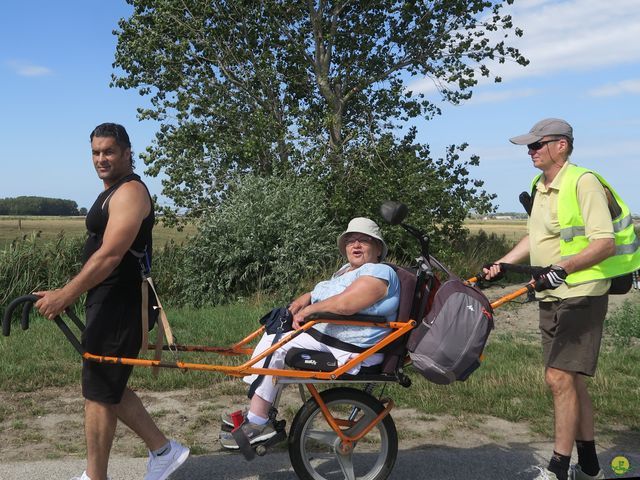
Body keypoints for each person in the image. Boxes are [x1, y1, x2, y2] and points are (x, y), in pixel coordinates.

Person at [484, 118, 640, 480]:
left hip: (582, 293)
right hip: (552, 294)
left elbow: (605, 243)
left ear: (562, 146)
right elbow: (534, 239)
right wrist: (501, 264)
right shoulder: (540, 186)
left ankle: (557, 467)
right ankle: (589, 466)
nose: (531, 151)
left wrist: (564, 267)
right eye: (530, 146)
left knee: (557, 378)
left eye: (538, 145)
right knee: (570, 381)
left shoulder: (583, 182)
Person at [34, 123, 189, 480]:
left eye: (109, 152)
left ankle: (96, 475)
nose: (101, 159)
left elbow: (110, 255)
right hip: (106, 300)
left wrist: (65, 295)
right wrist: (68, 291)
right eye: (95, 152)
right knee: (106, 383)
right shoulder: (112, 191)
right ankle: (164, 451)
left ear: (126, 152)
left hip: (123, 304)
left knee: (100, 389)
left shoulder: (130, 192)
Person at [218, 217, 401, 449]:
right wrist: (306, 297)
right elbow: (326, 292)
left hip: (354, 349)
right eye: (350, 240)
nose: (356, 245)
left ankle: (258, 421)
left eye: (364, 240)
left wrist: (310, 311)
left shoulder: (380, 272)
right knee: (275, 333)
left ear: (378, 249)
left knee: (281, 346)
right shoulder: (347, 271)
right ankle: (259, 412)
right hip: (331, 339)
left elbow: (346, 304)